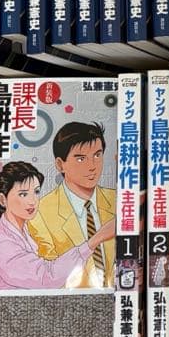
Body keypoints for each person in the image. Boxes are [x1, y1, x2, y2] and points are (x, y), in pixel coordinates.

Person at [0, 162, 110, 290]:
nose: (33, 201)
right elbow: (47, 276)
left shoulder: (23, 230)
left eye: (36, 192)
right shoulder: (3, 245)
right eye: (23, 194)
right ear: (3, 200)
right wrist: (95, 240)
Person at [27, 122, 116, 289]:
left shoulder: (119, 200)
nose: (92, 166)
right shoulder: (40, 213)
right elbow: (49, 277)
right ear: (60, 164)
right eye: (81, 159)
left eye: (97, 155)